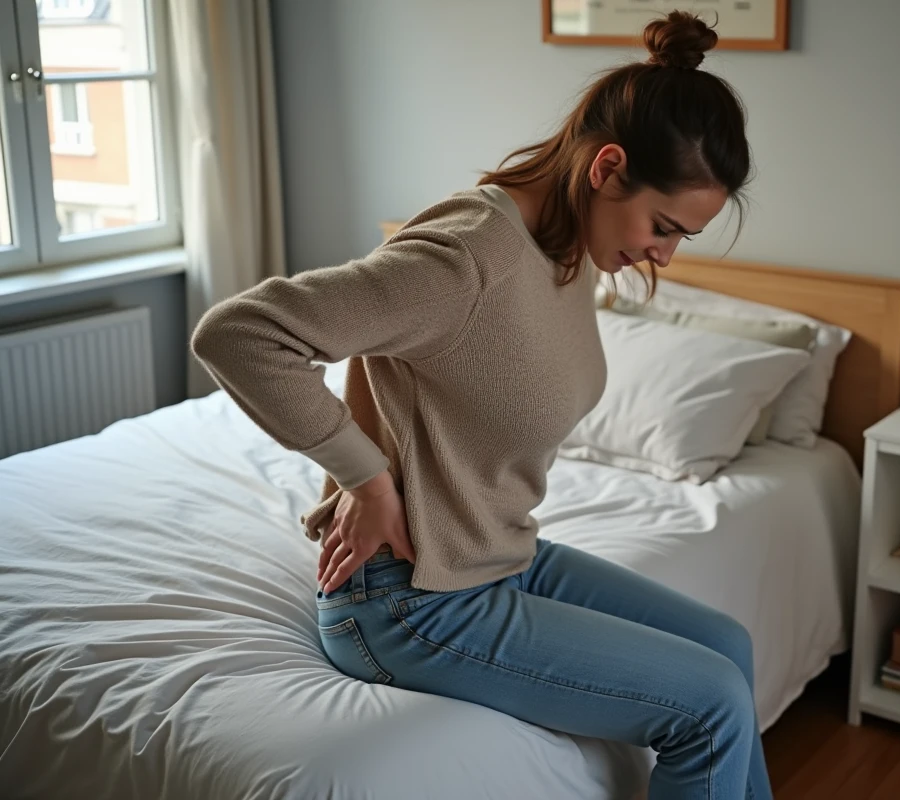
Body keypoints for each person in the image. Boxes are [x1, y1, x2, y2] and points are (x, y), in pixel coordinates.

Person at [191, 11, 768, 798]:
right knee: (712, 709)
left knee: (726, 648)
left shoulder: (566, 245)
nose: (663, 255)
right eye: (663, 227)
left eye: (681, 239)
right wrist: (365, 478)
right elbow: (240, 335)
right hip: (408, 600)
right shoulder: (466, 257)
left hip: (495, 561)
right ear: (606, 168)